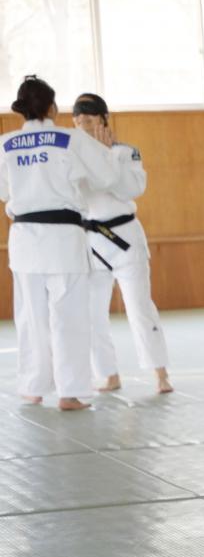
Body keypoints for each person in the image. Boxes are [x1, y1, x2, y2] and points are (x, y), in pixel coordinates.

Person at [1, 76, 119, 410]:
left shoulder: (6, 143)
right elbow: (107, 177)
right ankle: (70, 392)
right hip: (63, 239)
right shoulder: (70, 139)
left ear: (22, 109)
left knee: (31, 318)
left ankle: (33, 386)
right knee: (69, 316)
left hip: (24, 239)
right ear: (53, 107)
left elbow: (3, 191)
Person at [72, 93, 173, 395]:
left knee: (139, 307)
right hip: (90, 240)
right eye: (77, 122)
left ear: (104, 119)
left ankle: (160, 373)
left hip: (125, 238)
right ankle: (109, 373)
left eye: (88, 121)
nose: (83, 128)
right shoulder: (73, 157)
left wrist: (106, 158)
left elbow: (132, 189)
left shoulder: (127, 152)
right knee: (91, 313)